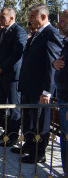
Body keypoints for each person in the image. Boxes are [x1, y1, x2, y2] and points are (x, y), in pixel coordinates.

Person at [17, 4, 63, 163]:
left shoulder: (51, 34)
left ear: (43, 17)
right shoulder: (37, 34)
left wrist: (47, 91)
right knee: (29, 119)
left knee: (40, 121)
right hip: (29, 87)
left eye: (32, 17)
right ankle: (29, 146)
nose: (29, 20)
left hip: (40, 89)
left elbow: (53, 65)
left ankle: (39, 153)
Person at [0, 8, 27, 147]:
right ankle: (6, 132)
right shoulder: (3, 32)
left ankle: (12, 137)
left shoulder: (19, 31)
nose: (0, 19)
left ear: (12, 18)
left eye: (2, 17)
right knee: (4, 105)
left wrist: (2, 68)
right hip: (1, 74)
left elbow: (17, 54)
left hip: (12, 76)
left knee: (14, 107)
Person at [52, 9, 68, 175]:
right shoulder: (65, 43)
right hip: (63, 97)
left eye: (62, 21)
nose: (58, 24)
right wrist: (54, 64)